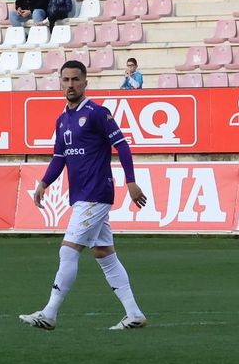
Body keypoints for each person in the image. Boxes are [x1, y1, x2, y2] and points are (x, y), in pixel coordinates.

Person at [19, 60, 149, 332]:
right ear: (60, 82)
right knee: (104, 254)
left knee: (68, 251)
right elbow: (59, 157)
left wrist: (131, 182)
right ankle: (134, 313)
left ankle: (50, 313)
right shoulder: (62, 120)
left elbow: (122, 146)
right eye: (65, 79)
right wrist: (44, 181)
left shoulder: (97, 113)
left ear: (85, 81)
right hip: (80, 195)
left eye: (75, 79)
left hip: (96, 193)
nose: (70, 85)